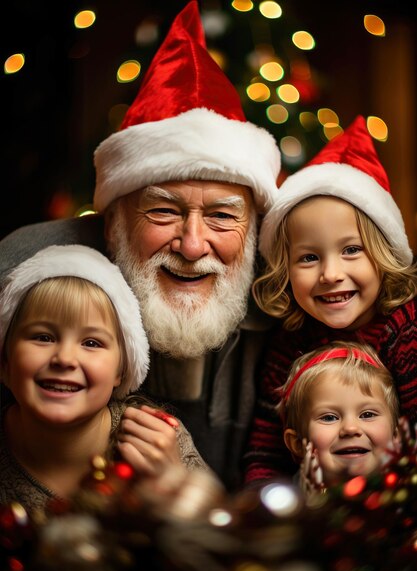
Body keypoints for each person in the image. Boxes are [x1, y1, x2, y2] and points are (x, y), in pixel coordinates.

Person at [0, 0, 281, 491]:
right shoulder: (23, 268)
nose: (193, 246)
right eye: (164, 211)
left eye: (221, 216)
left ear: (254, 227)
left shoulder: (291, 295)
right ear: (112, 224)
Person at [244, 115, 417, 485]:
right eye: (308, 257)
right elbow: (266, 451)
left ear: (384, 257)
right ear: (284, 270)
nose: (330, 274)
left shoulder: (406, 331)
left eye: (351, 250)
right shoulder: (289, 341)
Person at [0, 244, 208, 513]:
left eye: (91, 343)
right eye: (43, 337)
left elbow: (217, 541)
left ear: (121, 370)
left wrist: (175, 484)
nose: (64, 359)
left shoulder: (160, 442)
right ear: (5, 359)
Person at [279, 341, 400, 492]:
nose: (350, 428)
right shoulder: (289, 505)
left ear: (396, 435)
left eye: (367, 414)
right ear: (297, 443)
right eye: (329, 418)